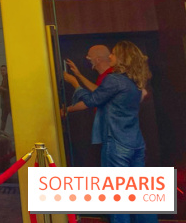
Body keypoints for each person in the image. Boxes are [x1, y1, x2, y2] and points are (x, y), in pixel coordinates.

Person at [64, 41, 156, 223]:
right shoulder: (135, 81)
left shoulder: (114, 79)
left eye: (113, 54)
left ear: (121, 58)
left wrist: (75, 84)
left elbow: (92, 100)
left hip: (116, 142)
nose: (110, 57)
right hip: (136, 142)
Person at [0, 65, 11, 130]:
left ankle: (1, 133)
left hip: (8, 103)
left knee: (4, 119)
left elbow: (9, 90)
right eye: (1, 70)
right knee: (3, 119)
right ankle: (1, 133)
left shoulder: (8, 78)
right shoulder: (4, 79)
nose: (2, 71)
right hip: (5, 103)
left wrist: (1, 88)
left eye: (4, 70)